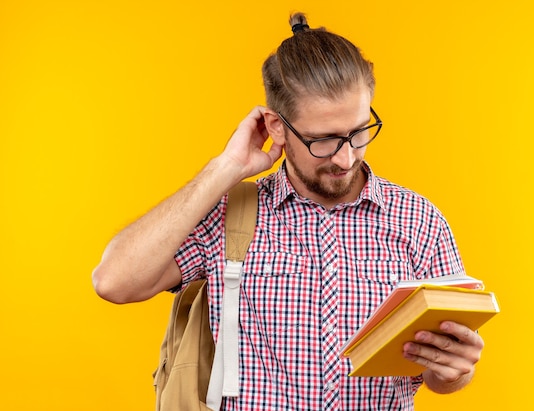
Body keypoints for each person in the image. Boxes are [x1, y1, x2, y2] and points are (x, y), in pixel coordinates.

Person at [93, 12, 484, 410]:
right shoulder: (230, 216)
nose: (346, 158)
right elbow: (114, 281)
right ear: (277, 128)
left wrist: (454, 370)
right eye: (323, 140)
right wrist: (224, 169)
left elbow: (443, 375)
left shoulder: (419, 221)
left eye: (358, 131)